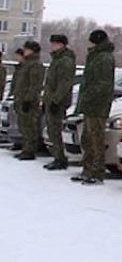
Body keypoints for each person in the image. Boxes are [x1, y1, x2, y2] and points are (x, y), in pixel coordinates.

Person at [71, 29, 116, 185]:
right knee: (87, 139)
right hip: (91, 105)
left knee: (96, 140)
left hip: (98, 105)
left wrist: (88, 96)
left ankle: (97, 173)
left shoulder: (104, 58)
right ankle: (88, 170)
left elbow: (102, 84)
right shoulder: (96, 56)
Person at [41, 34, 77, 170]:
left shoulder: (65, 61)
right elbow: (50, 83)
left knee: (55, 130)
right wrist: (46, 100)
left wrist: (56, 100)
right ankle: (58, 156)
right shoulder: (57, 60)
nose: (52, 46)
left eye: (55, 44)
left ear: (61, 44)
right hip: (52, 99)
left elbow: (64, 83)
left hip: (58, 101)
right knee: (51, 130)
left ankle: (60, 158)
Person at [13, 40, 45, 160]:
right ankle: (26, 148)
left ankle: (30, 150)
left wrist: (28, 99)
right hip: (22, 99)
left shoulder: (35, 64)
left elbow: (34, 85)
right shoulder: (26, 64)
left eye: (26, 49)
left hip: (29, 101)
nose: (24, 51)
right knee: (23, 125)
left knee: (29, 126)